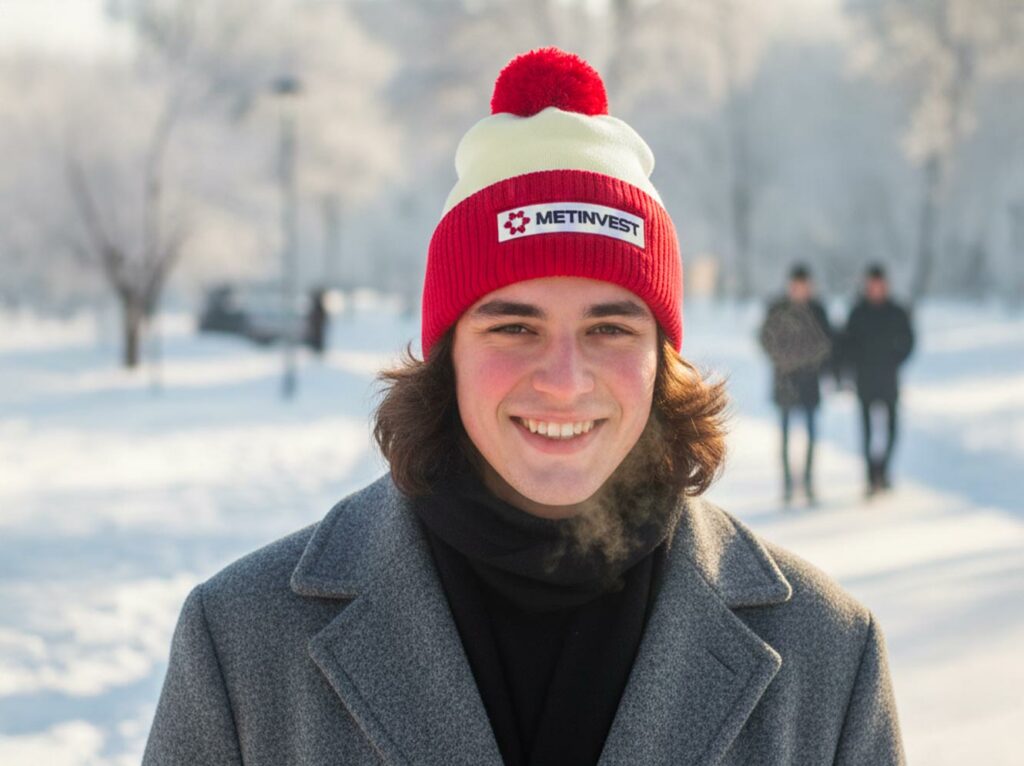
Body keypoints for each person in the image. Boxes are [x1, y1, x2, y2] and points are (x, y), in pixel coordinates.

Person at [144, 49, 904, 765]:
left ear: (661, 361)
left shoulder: (827, 655)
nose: (565, 380)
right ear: (448, 356)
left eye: (609, 328)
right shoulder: (242, 643)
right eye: (514, 326)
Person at [758, 264, 834, 505]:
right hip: (785, 382)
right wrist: (783, 360)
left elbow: (828, 342)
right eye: (796, 286)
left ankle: (809, 482)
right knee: (786, 436)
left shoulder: (818, 310)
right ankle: (788, 485)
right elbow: (764, 338)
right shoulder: (777, 308)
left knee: (811, 435)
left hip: (810, 382)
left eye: (804, 286)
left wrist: (815, 363)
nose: (800, 290)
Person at [842, 264, 915, 496]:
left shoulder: (896, 311)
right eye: (871, 285)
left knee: (892, 428)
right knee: (867, 431)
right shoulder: (858, 312)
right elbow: (847, 343)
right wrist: (852, 367)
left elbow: (909, 340)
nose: (875, 289)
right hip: (864, 381)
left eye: (878, 285)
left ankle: (883, 470)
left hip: (888, 380)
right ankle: (870, 476)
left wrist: (895, 359)